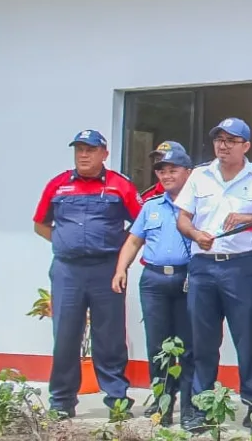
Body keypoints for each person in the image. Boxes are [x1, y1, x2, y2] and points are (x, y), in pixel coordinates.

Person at [32, 129, 141, 419]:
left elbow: (140, 225)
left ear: (104, 154)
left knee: (110, 336)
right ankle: (61, 402)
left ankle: (117, 400)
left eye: (90, 150)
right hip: (68, 271)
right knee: (66, 336)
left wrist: (120, 253)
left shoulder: (120, 186)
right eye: (79, 149)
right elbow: (40, 224)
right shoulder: (58, 185)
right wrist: (64, 242)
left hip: (106, 270)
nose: (83, 155)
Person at [174, 117, 252, 432]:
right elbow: (183, 219)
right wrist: (195, 234)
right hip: (203, 266)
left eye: (231, 140)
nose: (223, 145)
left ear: (246, 145)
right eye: (219, 139)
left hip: (240, 266)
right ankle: (201, 409)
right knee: (203, 343)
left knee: (247, 340)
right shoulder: (199, 176)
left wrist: (249, 217)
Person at [111, 145, 195, 426]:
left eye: (173, 169)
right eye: (161, 170)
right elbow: (134, 240)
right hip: (155, 280)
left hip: (188, 279)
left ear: (188, 172)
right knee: (158, 345)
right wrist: (121, 268)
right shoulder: (151, 206)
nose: (166, 175)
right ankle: (162, 401)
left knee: (187, 345)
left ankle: (190, 404)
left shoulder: (199, 204)